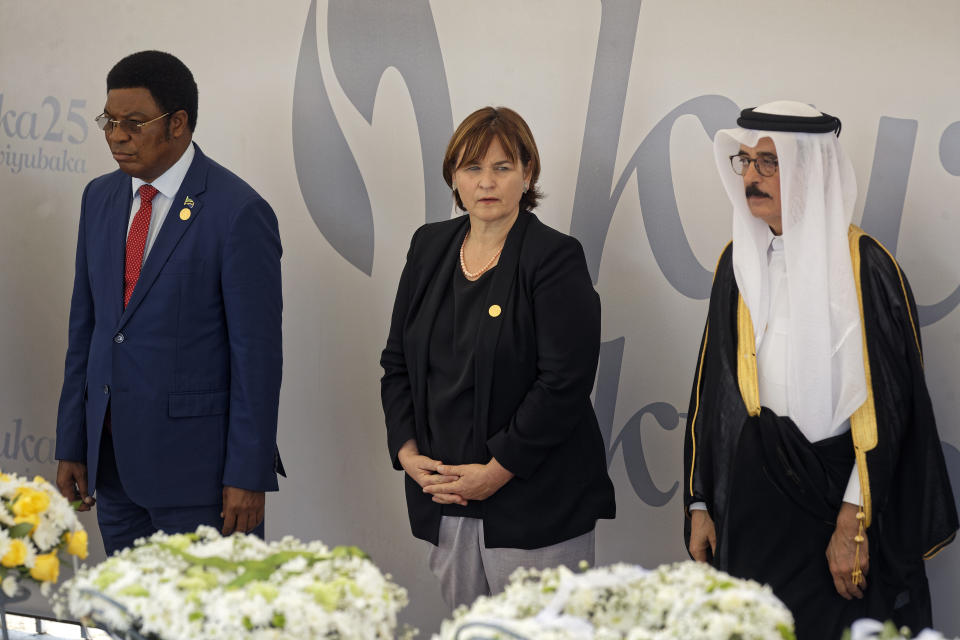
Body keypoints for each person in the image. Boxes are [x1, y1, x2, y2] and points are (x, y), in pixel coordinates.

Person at [683, 100, 958, 639]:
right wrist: (700, 501)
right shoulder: (735, 264)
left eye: (770, 163)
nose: (753, 177)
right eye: (746, 162)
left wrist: (853, 520)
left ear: (809, 169)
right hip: (754, 507)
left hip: (838, 502)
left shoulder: (864, 265)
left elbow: (891, 407)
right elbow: (712, 390)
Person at [381, 106, 616, 608]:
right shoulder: (428, 247)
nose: (487, 182)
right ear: (454, 178)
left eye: (503, 167)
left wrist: (496, 471)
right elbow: (396, 362)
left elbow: (564, 385)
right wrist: (406, 453)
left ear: (527, 174)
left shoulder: (555, 257)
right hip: (447, 498)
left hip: (536, 504)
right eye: (472, 168)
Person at [55, 51, 284, 554]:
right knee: (128, 622)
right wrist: (73, 442)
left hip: (200, 481)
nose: (117, 135)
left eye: (134, 124)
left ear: (178, 123)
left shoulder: (238, 212)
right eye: (109, 122)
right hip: (113, 470)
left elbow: (257, 359)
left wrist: (249, 473)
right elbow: (87, 328)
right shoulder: (99, 197)